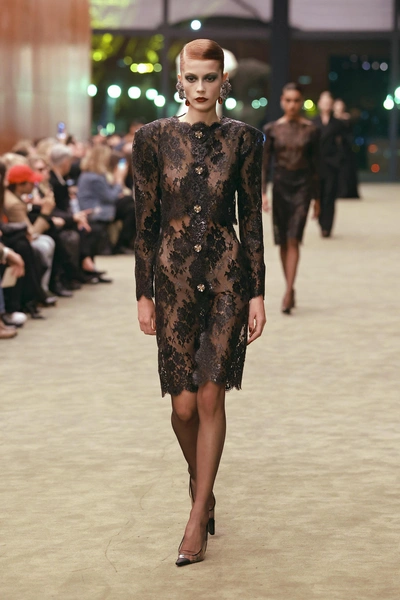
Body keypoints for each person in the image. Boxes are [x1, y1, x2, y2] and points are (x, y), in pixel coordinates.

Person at [132, 39, 266, 567]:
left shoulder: (245, 139)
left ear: (223, 82)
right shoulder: (152, 138)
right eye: (192, 78)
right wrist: (143, 293)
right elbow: (145, 221)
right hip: (172, 282)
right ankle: (201, 485)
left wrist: (257, 291)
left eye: (210, 78)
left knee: (210, 397)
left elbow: (251, 218)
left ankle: (196, 517)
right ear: (179, 81)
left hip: (227, 278)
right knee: (182, 407)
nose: (201, 87)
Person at [262, 83, 320, 314]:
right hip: (281, 187)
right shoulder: (272, 129)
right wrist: (263, 193)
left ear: (301, 102)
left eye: (296, 100)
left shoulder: (311, 130)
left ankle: (288, 291)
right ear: (282, 101)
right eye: (288, 100)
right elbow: (265, 164)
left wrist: (317, 199)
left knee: (294, 237)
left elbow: (316, 166)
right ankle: (290, 286)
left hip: (303, 187)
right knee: (283, 240)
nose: (292, 105)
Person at [314, 91, 345, 237]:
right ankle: (321, 222)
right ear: (319, 104)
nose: (326, 105)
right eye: (324, 102)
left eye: (329, 102)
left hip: (332, 164)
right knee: (318, 194)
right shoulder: (313, 122)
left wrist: (338, 160)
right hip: (317, 164)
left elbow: (343, 143)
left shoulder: (338, 124)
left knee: (330, 195)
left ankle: (327, 226)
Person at [333, 99, 360, 199]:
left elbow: (350, 132)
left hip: (345, 148)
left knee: (346, 170)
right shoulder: (331, 119)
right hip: (334, 148)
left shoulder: (347, 118)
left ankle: (347, 191)